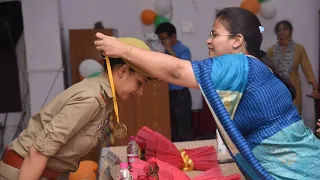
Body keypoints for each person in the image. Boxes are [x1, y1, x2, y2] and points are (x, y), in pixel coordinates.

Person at [94, 7, 320, 180]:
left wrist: (123, 49)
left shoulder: (239, 65)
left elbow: (176, 70)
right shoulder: (258, 67)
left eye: (214, 34)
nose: (208, 40)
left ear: (237, 41)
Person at [0, 37, 152, 180]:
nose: (140, 92)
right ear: (123, 70)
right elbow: (39, 152)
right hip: (23, 173)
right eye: (140, 83)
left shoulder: (103, 97)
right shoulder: (91, 99)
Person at [267, 20, 320, 114]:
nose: (282, 32)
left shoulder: (299, 49)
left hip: (294, 87)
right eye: (279, 30)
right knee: (277, 114)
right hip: (276, 88)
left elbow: (307, 68)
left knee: (294, 113)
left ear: (290, 31)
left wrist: (315, 88)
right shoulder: (272, 50)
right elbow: (266, 69)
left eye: (285, 29)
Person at [155, 22, 193, 142]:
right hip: (168, 95)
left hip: (180, 95)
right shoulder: (166, 53)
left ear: (173, 36)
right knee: (173, 130)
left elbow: (181, 69)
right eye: (161, 40)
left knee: (183, 129)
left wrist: (169, 49)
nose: (163, 42)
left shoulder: (183, 50)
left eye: (164, 39)